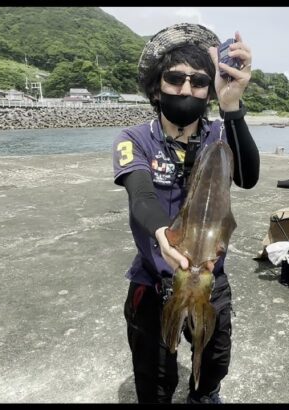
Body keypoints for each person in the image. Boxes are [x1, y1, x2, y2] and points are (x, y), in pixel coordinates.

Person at [112, 23, 260, 404]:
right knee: (154, 375)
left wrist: (231, 107)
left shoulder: (220, 135)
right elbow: (141, 195)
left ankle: (204, 395)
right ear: (156, 86)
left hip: (211, 276)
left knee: (213, 361)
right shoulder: (135, 139)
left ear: (208, 89)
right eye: (175, 78)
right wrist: (161, 234)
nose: (186, 89)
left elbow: (247, 176)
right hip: (154, 276)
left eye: (198, 81)